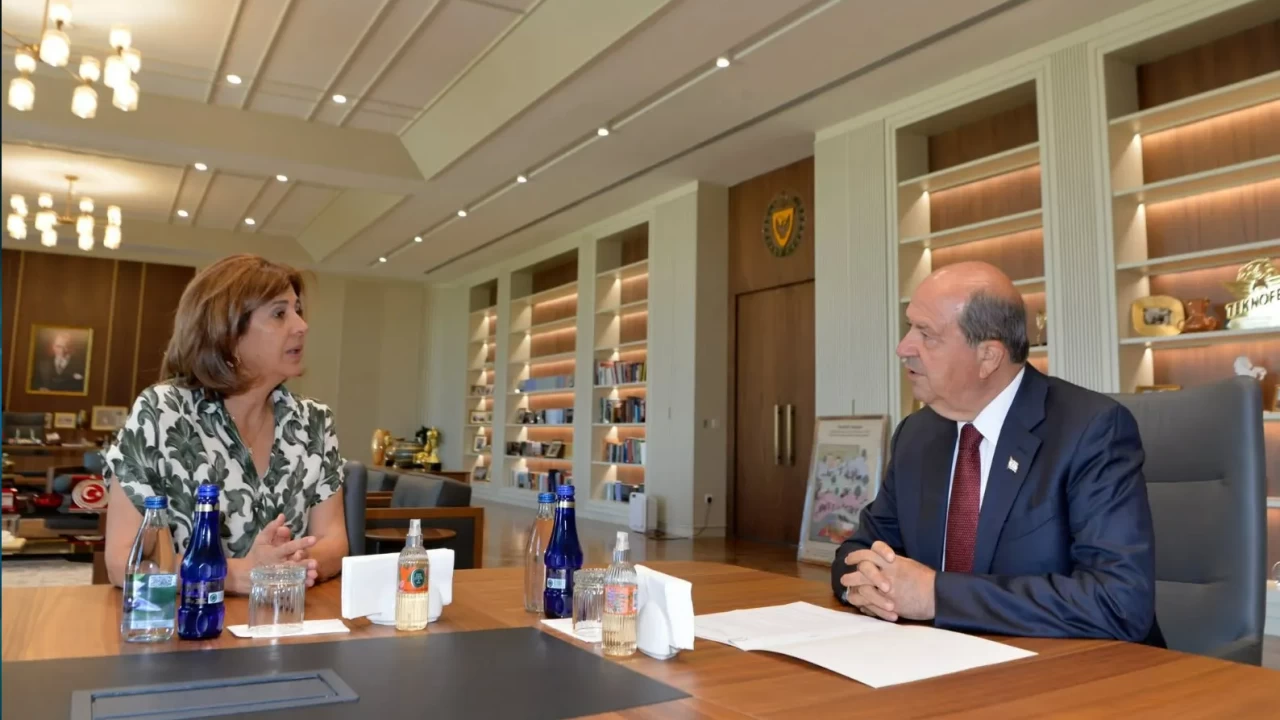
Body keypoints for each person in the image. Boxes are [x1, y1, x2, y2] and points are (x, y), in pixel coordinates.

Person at [832, 261, 1163, 646]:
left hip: (1075, 671)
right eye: (909, 327)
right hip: (938, 660)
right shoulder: (916, 435)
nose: (903, 347)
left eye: (926, 334)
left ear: (988, 357)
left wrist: (937, 596)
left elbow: (1119, 602)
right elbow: (859, 550)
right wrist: (864, 585)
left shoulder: (1091, 430)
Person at [103, 254, 348, 594]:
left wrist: (287, 566)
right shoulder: (161, 411)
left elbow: (334, 542)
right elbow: (122, 562)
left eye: (298, 310)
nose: (301, 325)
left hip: (285, 617)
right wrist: (236, 575)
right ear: (227, 333)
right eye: (279, 313)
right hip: (187, 619)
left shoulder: (314, 420)